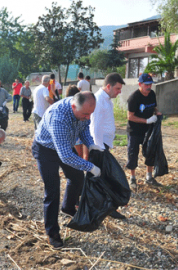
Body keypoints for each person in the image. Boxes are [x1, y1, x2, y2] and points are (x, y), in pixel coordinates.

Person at [32, 92, 102, 249]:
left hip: (64, 143)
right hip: (45, 150)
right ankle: (52, 233)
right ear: (73, 107)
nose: (88, 117)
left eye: (91, 113)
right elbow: (66, 156)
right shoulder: (58, 117)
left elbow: (84, 128)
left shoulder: (82, 112)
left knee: (77, 178)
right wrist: (91, 167)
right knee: (52, 191)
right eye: (85, 114)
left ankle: (68, 207)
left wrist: (90, 144)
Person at [90, 72, 126, 219]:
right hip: (99, 146)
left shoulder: (106, 100)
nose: (119, 92)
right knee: (105, 177)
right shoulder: (99, 100)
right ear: (108, 86)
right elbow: (95, 127)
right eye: (117, 89)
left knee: (103, 177)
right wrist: (99, 148)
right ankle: (103, 207)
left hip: (104, 145)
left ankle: (103, 206)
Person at [126, 73, 162, 188]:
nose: (149, 87)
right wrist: (146, 121)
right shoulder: (133, 97)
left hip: (148, 131)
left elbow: (153, 106)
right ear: (140, 84)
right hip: (135, 131)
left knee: (150, 152)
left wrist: (157, 112)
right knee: (133, 154)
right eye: (146, 84)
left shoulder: (151, 94)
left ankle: (149, 177)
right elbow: (130, 116)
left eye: (150, 84)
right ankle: (132, 178)